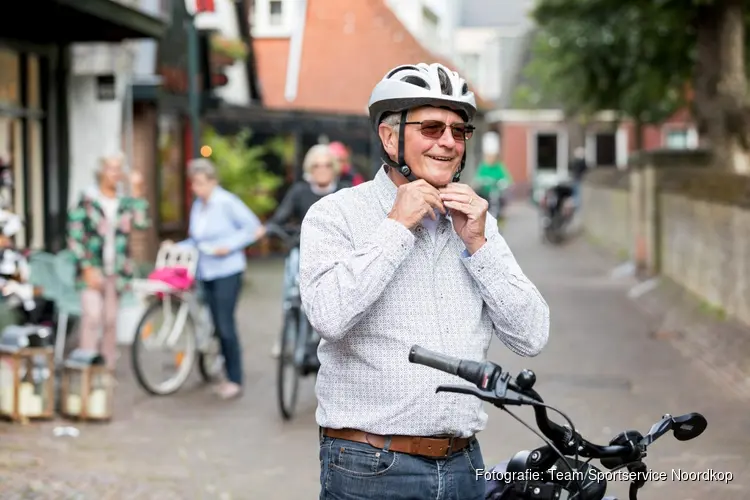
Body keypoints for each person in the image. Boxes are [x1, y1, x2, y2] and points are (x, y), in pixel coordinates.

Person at [299, 62, 550, 499]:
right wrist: (396, 227)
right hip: (369, 466)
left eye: (459, 130)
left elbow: (532, 335)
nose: (449, 142)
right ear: (390, 136)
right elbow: (328, 315)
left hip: (464, 463)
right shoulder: (335, 214)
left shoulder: (475, 221)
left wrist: (479, 245)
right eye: (432, 127)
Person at [167, 158, 261, 400]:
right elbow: (197, 242)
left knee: (225, 325)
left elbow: (255, 229)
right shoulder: (198, 206)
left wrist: (228, 246)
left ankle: (235, 378)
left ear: (212, 181)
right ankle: (217, 366)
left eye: (200, 183)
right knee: (213, 324)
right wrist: (175, 246)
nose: (195, 188)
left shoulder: (227, 202)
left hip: (227, 271)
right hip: (204, 271)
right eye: (193, 183)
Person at [257, 144, 349, 358]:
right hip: (303, 251)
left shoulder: (344, 191)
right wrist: (270, 228)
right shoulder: (299, 191)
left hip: (337, 253)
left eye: (327, 165)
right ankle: (287, 337)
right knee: (290, 290)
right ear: (310, 169)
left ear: (334, 167)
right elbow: (280, 217)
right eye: (316, 166)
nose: (322, 170)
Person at [67, 151, 150, 371]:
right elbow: (74, 236)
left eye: (118, 169)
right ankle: (86, 368)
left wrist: (137, 190)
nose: (115, 173)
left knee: (111, 321)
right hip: (92, 269)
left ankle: (107, 368)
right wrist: (86, 267)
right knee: (92, 317)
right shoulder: (88, 200)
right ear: (101, 171)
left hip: (116, 270)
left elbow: (141, 224)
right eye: (111, 168)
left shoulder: (124, 202)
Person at [473, 132, 513, 219]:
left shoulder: (499, 166)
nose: (490, 158)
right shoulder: (483, 166)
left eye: (492, 156)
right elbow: (477, 179)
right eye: (488, 156)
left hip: (498, 196)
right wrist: (481, 182)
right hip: (485, 196)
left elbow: (507, 179)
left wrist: (503, 183)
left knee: (501, 210)